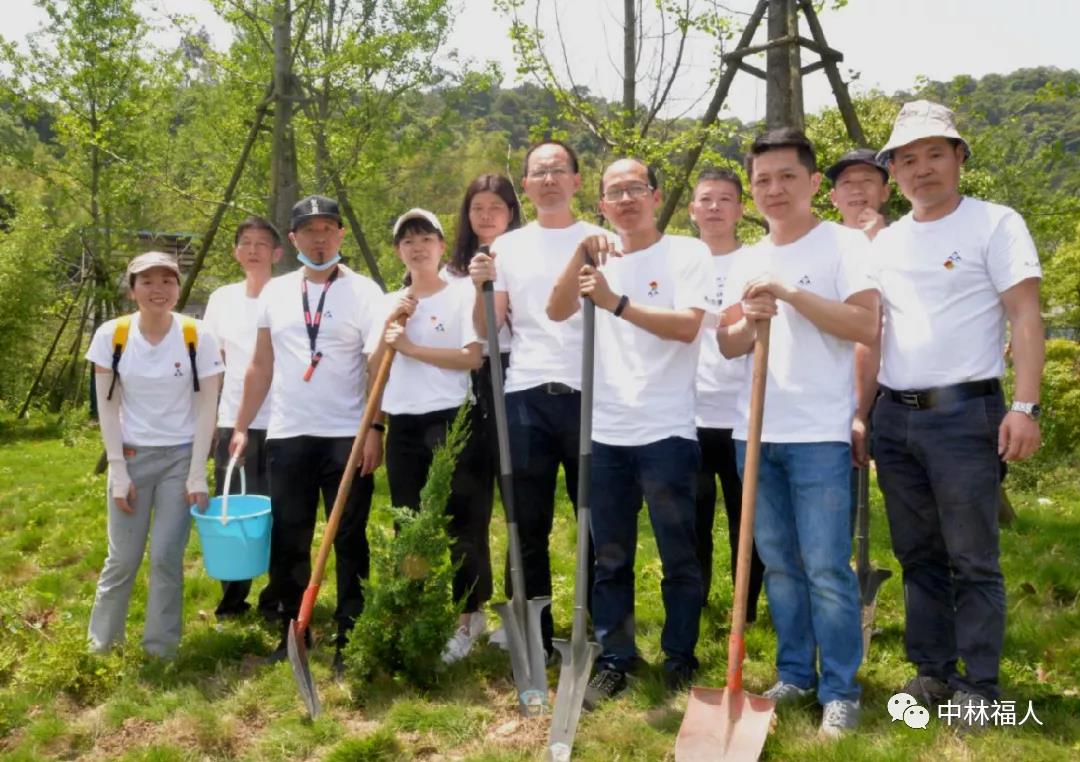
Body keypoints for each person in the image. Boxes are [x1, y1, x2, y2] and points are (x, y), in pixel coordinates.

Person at [863, 100, 1044, 720]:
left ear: (959, 156)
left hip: (967, 416)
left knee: (972, 556)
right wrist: (865, 414)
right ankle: (932, 672)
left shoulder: (994, 224)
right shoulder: (886, 242)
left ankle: (981, 684)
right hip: (896, 416)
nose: (922, 169)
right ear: (894, 172)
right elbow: (873, 329)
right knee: (918, 554)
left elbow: (1025, 316)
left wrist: (1025, 405)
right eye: (907, 159)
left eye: (935, 153)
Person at [717, 128, 880, 738]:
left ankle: (841, 688)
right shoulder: (745, 257)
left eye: (786, 176)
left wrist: (791, 294)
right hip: (754, 432)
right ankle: (795, 673)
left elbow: (864, 323)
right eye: (762, 180)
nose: (774, 189)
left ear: (814, 183)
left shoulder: (845, 246)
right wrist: (749, 319)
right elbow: (728, 343)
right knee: (779, 562)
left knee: (826, 566)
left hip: (817, 433)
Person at [548, 158, 712, 706]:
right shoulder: (595, 261)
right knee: (609, 554)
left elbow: (688, 327)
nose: (626, 199)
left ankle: (680, 655)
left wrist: (615, 303)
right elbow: (555, 309)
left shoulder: (686, 253)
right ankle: (616, 657)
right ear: (600, 205)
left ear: (656, 195)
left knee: (678, 552)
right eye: (614, 192)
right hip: (606, 431)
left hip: (666, 429)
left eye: (636, 189)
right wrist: (579, 257)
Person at [230, 195, 385, 668]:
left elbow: (378, 364)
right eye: (309, 231)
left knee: (350, 537)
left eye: (327, 229)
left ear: (340, 235)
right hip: (289, 432)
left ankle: (350, 635)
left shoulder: (365, 293)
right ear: (292, 240)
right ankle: (293, 632)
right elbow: (261, 364)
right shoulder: (275, 294)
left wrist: (375, 427)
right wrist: (240, 426)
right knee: (289, 535)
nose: (319, 239)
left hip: (348, 433)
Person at [467, 141, 605, 659]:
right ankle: (537, 638)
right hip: (525, 396)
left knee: (595, 519)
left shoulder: (600, 238)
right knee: (528, 521)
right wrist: (481, 288)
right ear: (525, 185)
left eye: (558, 171)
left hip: (591, 394)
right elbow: (487, 330)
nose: (548, 179)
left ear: (575, 180)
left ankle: (598, 630)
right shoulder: (507, 247)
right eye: (538, 172)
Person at [86, 251, 223, 657]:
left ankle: (161, 650)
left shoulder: (198, 336)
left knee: (166, 557)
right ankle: (101, 647)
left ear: (178, 289)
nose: (158, 290)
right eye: (147, 281)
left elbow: (207, 409)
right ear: (133, 291)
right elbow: (107, 408)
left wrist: (197, 472)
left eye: (167, 281)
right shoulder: (112, 336)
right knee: (122, 559)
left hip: (180, 459)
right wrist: (118, 470)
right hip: (129, 457)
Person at [370, 208, 486, 664]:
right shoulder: (388, 301)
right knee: (408, 523)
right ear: (398, 251)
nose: (417, 247)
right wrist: (391, 327)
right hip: (404, 422)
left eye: (425, 238)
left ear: (440, 245)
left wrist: (412, 348)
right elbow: (373, 366)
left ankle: (466, 618)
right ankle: (415, 608)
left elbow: (472, 357)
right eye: (407, 241)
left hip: (453, 417)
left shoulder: (460, 294)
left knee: (462, 524)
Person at [440, 174, 524, 648]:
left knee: (519, 501)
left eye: (496, 206)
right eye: (477, 207)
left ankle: (518, 610)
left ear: (511, 211)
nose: (487, 215)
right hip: (468, 383)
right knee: (467, 504)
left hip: (516, 376)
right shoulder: (452, 271)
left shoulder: (527, 256)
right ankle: (469, 611)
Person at [687, 167, 765, 618]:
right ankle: (693, 602)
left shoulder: (756, 261)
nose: (714, 207)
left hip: (744, 412)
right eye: (706, 199)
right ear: (693, 209)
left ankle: (745, 608)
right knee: (693, 516)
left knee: (746, 520)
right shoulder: (677, 259)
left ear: (740, 208)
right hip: (688, 412)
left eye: (725, 199)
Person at [203, 216, 283, 619]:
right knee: (232, 509)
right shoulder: (222, 299)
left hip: (283, 420)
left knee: (279, 510)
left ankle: (276, 597)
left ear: (277, 253)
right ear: (236, 252)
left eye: (261, 244)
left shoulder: (286, 295)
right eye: (245, 243)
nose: (253, 250)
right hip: (231, 421)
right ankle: (233, 599)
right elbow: (212, 362)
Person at [825, 149, 890, 240]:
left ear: (885, 192)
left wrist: (882, 238)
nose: (856, 190)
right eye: (846, 182)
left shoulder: (904, 238)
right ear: (833, 197)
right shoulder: (819, 244)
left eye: (867, 181)